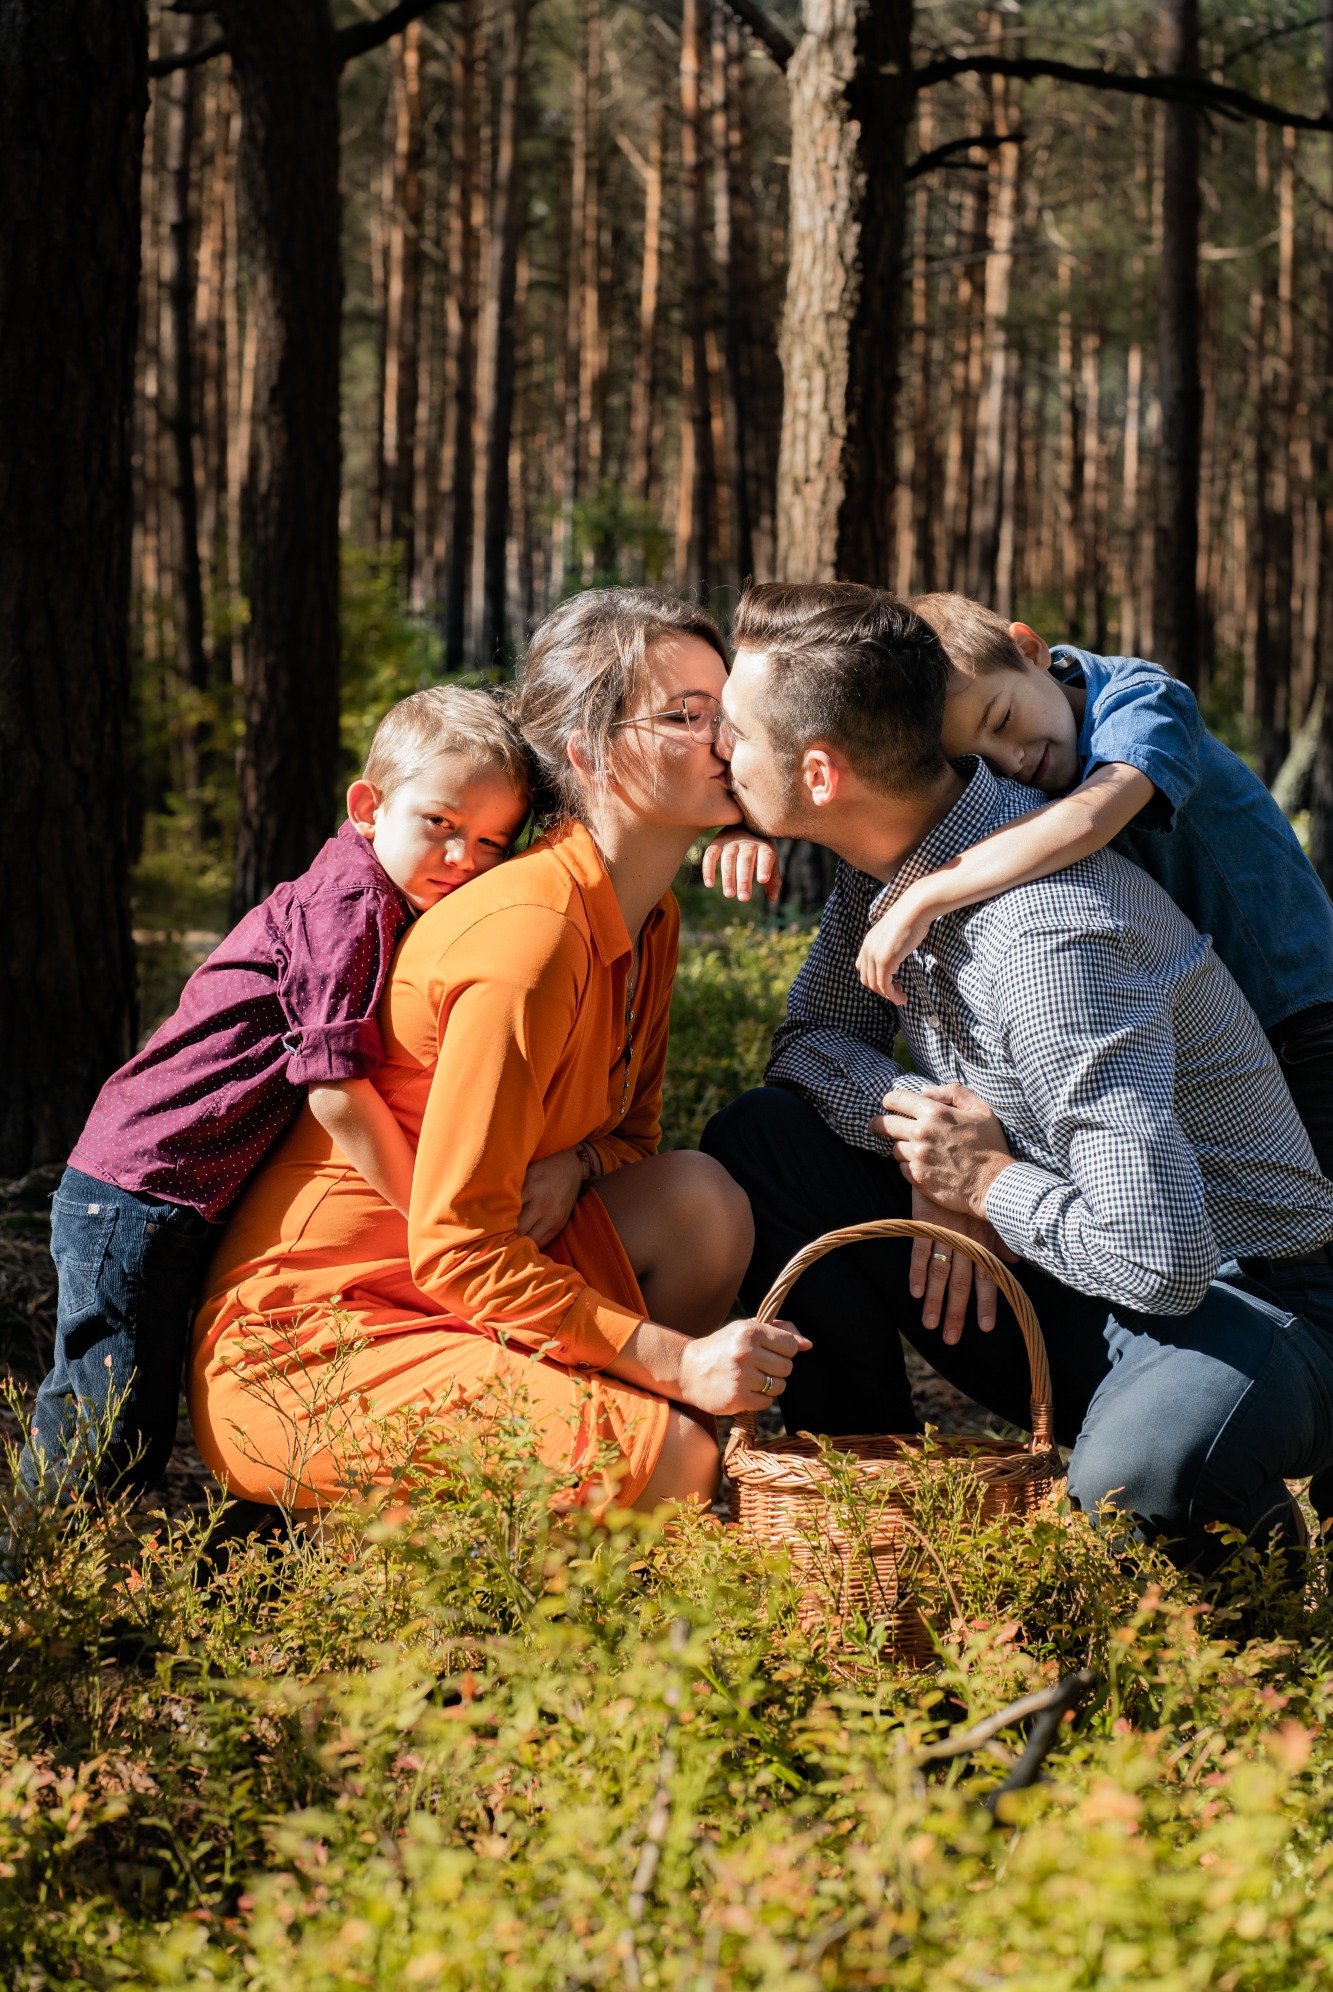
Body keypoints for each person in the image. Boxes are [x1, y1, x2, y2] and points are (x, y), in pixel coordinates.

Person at [702, 581, 1333, 1568]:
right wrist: (913, 1121)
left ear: (819, 773)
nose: (716, 750)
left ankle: (1258, 1544)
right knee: (764, 1142)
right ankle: (872, 1522)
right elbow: (807, 1045)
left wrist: (988, 1182)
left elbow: (1159, 1258)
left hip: (1240, 1305)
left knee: (1144, 1479)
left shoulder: (1044, 937)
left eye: (733, 731)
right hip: (1081, 1271)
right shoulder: (880, 870)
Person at [189, 588, 804, 1519]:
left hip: (462, 1285)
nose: (728, 739)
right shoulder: (528, 937)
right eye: (687, 715)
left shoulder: (652, 914)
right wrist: (680, 1362)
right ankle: (512, 1521)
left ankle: (563, 1470)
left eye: (730, 713)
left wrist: (580, 1159)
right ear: (587, 753)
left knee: (700, 1205)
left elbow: (634, 1135)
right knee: (679, 1458)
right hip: (318, 1340)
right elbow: (459, 1246)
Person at [26, 687, 534, 1501]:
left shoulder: (386, 901)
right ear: (368, 807)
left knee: (143, 1401)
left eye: (489, 842)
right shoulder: (350, 905)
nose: (461, 858)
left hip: (182, 1192)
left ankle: (118, 1572)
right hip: (137, 1188)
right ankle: (37, 1580)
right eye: (439, 824)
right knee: (108, 1412)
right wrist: (431, 1217)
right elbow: (334, 1090)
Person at [852, 592, 1333, 1176]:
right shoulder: (1033, 725)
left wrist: (926, 893)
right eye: (976, 760)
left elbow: (1090, 816)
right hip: (1200, 1042)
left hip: (1301, 1018)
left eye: (1001, 720)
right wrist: (747, 822)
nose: (1011, 760)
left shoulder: (1144, 703)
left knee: (1310, 1240)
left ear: (1029, 650)